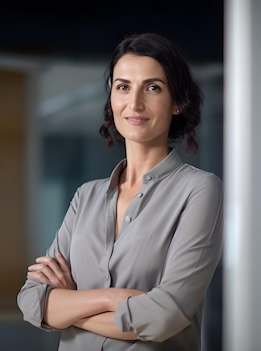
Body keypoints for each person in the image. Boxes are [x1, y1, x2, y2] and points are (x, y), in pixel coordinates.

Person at [17, 32, 224, 351]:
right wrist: (112, 298)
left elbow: (165, 316)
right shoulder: (86, 196)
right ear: (112, 97)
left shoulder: (198, 190)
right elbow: (31, 300)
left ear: (177, 103)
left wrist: (68, 306)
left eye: (153, 87)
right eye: (123, 86)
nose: (135, 103)